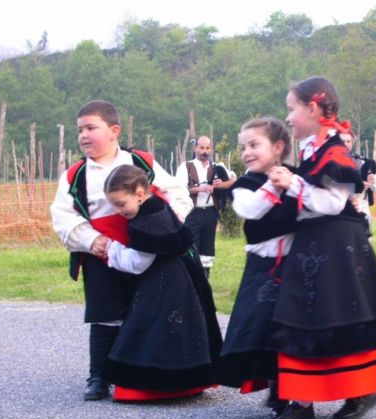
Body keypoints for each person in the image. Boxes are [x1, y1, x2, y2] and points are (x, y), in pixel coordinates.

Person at [267, 76, 376, 419]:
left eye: (292, 109)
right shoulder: (313, 148)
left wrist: (293, 183)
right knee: (307, 315)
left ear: (312, 109)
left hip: (334, 244)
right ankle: (303, 400)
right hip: (316, 243)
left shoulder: (335, 153)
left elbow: (332, 202)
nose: (289, 118)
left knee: (331, 316)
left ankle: (353, 392)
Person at [50, 99, 193, 401]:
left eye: (91, 128)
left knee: (145, 311)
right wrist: (93, 242)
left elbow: (175, 192)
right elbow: (63, 217)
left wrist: (167, 226)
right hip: (102, 255)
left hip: (146, 250)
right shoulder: (75, 175)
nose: (84, 136)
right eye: (80, 130)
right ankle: (99, 376)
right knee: (105, 314)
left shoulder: (141, 161)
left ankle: (139, 372)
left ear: (114, 130)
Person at [102, 165, 223, 401]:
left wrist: (112, 250)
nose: (118, 211)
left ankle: (154, 386)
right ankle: (187, 382)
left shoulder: (148, 219)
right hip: (181, 274)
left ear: (139, 193)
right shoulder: (155, 205)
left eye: (120, 204)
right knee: (181, 327)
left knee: (158, 326)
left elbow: (138, 263)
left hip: (169, 280)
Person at [218, 117, 298, 418]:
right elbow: (249, 209)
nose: (246, 152)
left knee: (291, 331)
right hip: (261, 269)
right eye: (243, 147)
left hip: (296, 266)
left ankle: (293, 391)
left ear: (277, 147)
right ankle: (277, 388)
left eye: (254, 145)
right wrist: (274, 186)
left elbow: (314, 207)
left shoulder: (296, 178)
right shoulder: (245, 184)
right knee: (261, 330)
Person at [176, 136, 237, 277]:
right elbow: (179, 189)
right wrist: (200, 188)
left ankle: (205, 279)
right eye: (202, 148)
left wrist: (221, 185)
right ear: (195, 148)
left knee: (207, 247)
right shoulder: (186, 166)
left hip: (210, 212)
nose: (205, 151)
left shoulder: (217, 167)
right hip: (192, 212)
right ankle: (190, 279)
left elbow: (233, 180)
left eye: (207, 148)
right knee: (191, 245)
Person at [339, 130, 376, 236]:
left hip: (361, 207)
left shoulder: (361, 162)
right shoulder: (330, 162)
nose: (346, 144)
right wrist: (357, 186)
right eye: (343, 141)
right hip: (339, 210)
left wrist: (373, 180)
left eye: (348, 141)